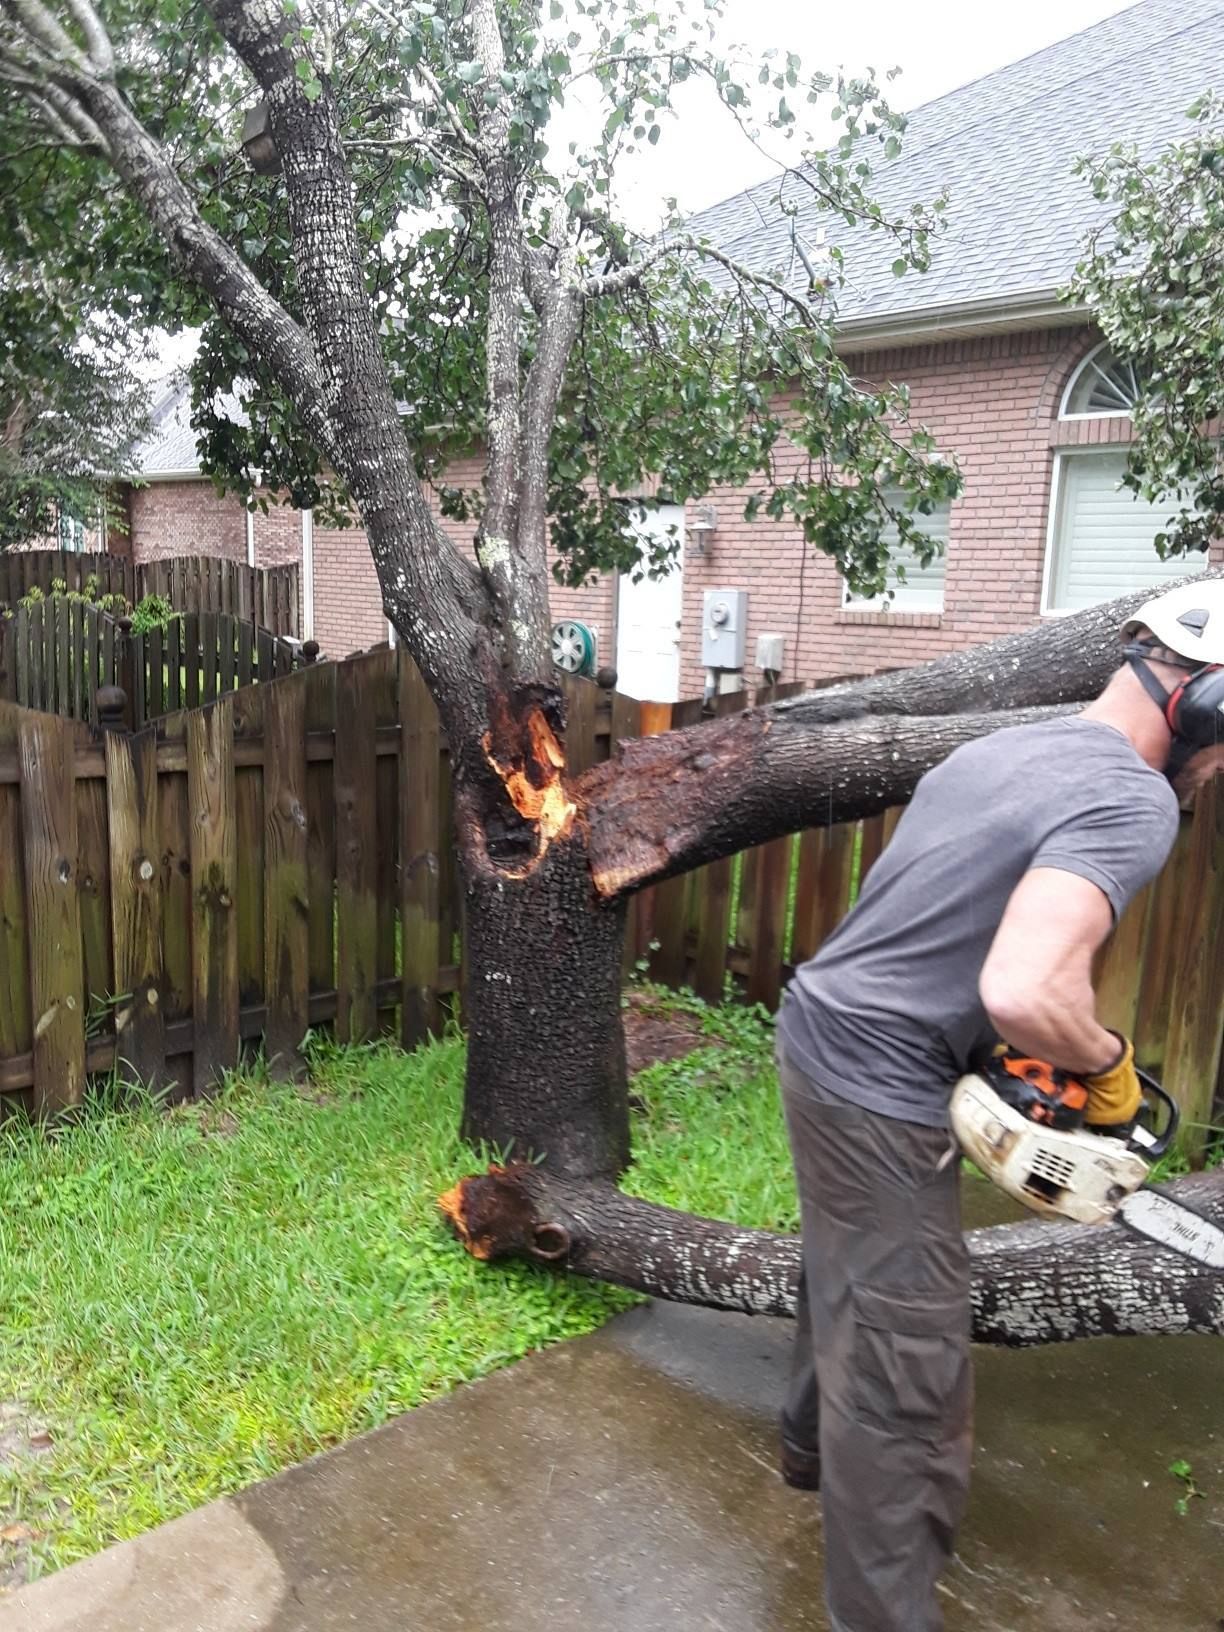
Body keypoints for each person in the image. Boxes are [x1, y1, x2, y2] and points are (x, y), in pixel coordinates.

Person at [774, 580, 1224, 1632]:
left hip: (816, 1028)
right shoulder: (1133, 797)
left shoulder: (995, 754)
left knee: (846, 1263)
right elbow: (1023, 987)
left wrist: (1012, 1064)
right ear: (1207, 703)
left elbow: (935, 930)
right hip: (880, 1079)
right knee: (909, 1372)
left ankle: (804, 1452)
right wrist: (1106, 1064)